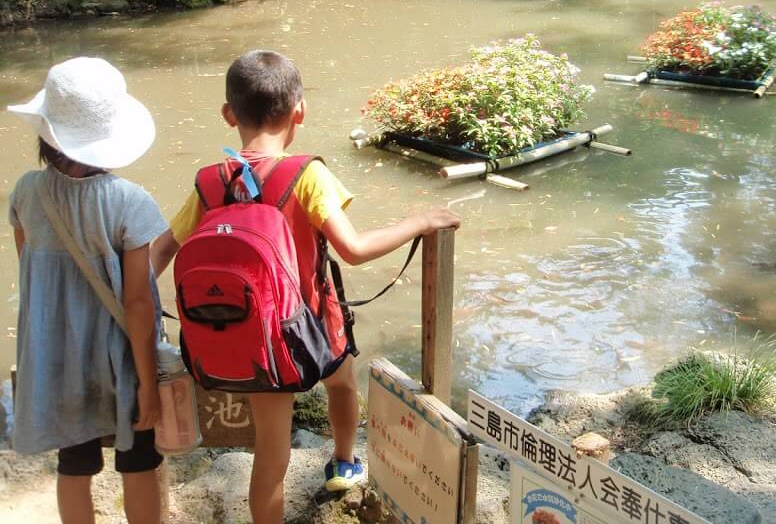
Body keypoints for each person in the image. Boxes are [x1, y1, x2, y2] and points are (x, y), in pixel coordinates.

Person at [150, 50, 460, 524]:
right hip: (314, 324)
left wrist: (128, 300)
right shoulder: (306, 174)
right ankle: (344, 462)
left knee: (271, 457)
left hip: (255, 336)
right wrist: (420, 221)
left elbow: (162, 252)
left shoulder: (210, 182)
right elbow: (353, 248)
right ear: (300, 112)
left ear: (229, 115)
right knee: (341, 382)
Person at [7, 57, 166, 524]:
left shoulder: (25, 193)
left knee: (73, 466)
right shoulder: (129, 202)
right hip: (121, 359)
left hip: (57, 359)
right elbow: (137, 303)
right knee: (138, 461)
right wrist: (150, 385)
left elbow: (31, 273)